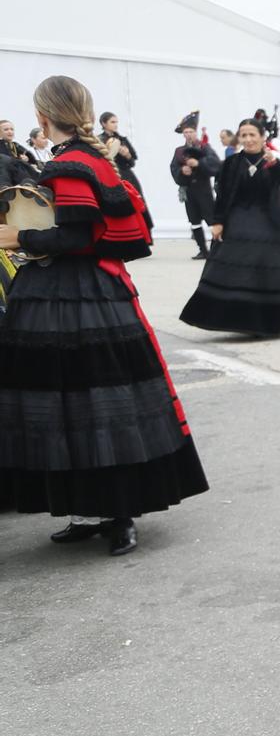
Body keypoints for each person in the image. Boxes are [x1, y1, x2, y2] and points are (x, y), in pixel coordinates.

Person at [0, 74, 205, 557]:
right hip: (98, 292)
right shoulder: (96, 161)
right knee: (93, 403)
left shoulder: (68, 166)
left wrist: (20, 239)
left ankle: (114, 512)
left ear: (42, 118)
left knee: (83, 403)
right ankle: (95, 510)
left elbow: (76, 237)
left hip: (71, 296)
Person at [179, 116, 280, 336]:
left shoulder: (271, 161)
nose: (248, 139)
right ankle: (243, 320)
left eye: (253, 135)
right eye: (244, 135)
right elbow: (222, 194)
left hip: (270, 219)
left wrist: (275, 163)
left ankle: (274, 319)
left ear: (262, 138)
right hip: (239, 218)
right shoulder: (232, 163)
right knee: (238, 265)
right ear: (239, 138)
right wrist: (217, 221)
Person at [167, 111, 221, 260]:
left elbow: (215, 164)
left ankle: (216, 250)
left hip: (204, 190)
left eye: (191, 131)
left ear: (195, 132)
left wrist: (199, 164)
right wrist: (182, 171)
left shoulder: (204, 148)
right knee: (194, 221)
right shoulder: (179, 151)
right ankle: (202, 250)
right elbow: (173, 168)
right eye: (186, 132)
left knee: (212, 220)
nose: (189, 134)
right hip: (189, 191)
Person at [99, 111, 139, 189]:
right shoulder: (98, 140)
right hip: (109, 178)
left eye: (116, 122)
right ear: (103, 123)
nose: (116, 125)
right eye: (112, 122)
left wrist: (127, 155)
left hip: (127, 178)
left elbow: (132, 163)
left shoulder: (123, 140)